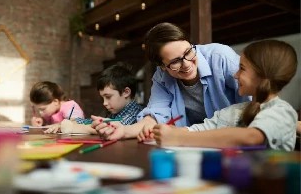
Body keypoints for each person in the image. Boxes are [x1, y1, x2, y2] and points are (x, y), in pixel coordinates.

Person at [92, 22, 250, 140]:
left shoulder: (221, 58)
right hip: (192, 143)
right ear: (162, 66)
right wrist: (124, 131)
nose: (187, 64)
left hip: (235, 139)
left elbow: (254, 103)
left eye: (188, 52)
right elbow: (154, 116)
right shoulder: (161, 78)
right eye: (175, 61)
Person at [151, 40, 298, 151]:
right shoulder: (233, 112)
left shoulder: (282, 112)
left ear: (261, 74)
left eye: (241, 68)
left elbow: (251, 137)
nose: (235, 74)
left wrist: (179, 138)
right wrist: (169, 132)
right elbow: (199, 129)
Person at [45, 63, 143, 134]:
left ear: (126, 92)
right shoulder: (116, 111)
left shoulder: (136, 113)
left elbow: (113, 128)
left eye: (108, 97)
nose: (104, 103)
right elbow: (90, 122)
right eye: (103, 98)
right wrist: (68, 123)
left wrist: (73, 128)